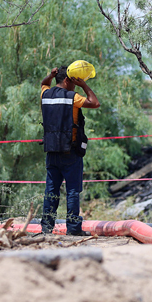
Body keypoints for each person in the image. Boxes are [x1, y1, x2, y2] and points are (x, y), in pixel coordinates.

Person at [40, 65, 100, 235]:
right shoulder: (72, 97)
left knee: (51, 192)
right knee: (73, 191)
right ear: (67, 80)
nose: (74, 85)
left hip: (52, 151)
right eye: (73, 81)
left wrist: (49, 75)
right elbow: (95, 103)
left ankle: (46, 228)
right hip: (70, 152)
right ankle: (73, 229)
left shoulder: (45, 94)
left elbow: (43, 84)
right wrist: (84, 86)